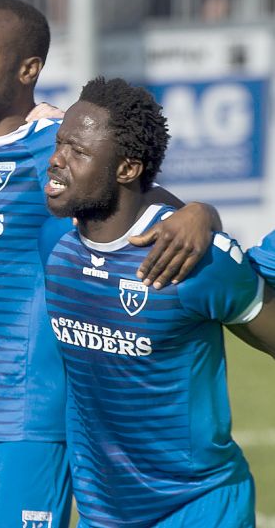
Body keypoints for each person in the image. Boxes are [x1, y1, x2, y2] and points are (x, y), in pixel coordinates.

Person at [0, 0, 221, 528]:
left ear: (28, 71)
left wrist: (202, 212)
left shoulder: (51, 146)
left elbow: (140, 198)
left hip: (22, 423)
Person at [43, 76, 275, 527]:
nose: (56, 161)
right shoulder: (54, 239)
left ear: (127, 169)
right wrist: (202, 210)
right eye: (59, 143)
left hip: (199, 507)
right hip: (101, 511)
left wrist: (203, 217)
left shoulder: (192, 262)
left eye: (79, 152)